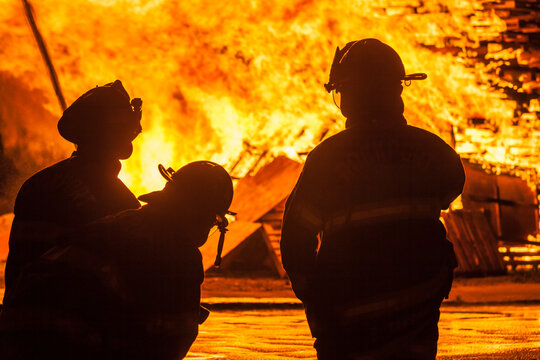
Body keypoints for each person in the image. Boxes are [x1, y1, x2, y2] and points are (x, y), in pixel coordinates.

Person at [281, 38, 465, 360]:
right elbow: (450, 191)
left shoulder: (327, 159)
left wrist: (315, 297)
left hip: (348, 311)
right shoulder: (436, 152)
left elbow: (296, 239)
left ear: (348, 96)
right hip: (418, 304)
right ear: (398, 89)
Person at [0, 161, 234, 360]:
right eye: (213, 221)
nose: (209, 228)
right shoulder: (178, 253)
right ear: (199, 214)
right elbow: (168, 345)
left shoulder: (119, 222)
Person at [3, 80, 142, 301]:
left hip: (18, 314)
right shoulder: (118, 200)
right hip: (75, 323)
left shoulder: (37, 183)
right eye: (123, 123)